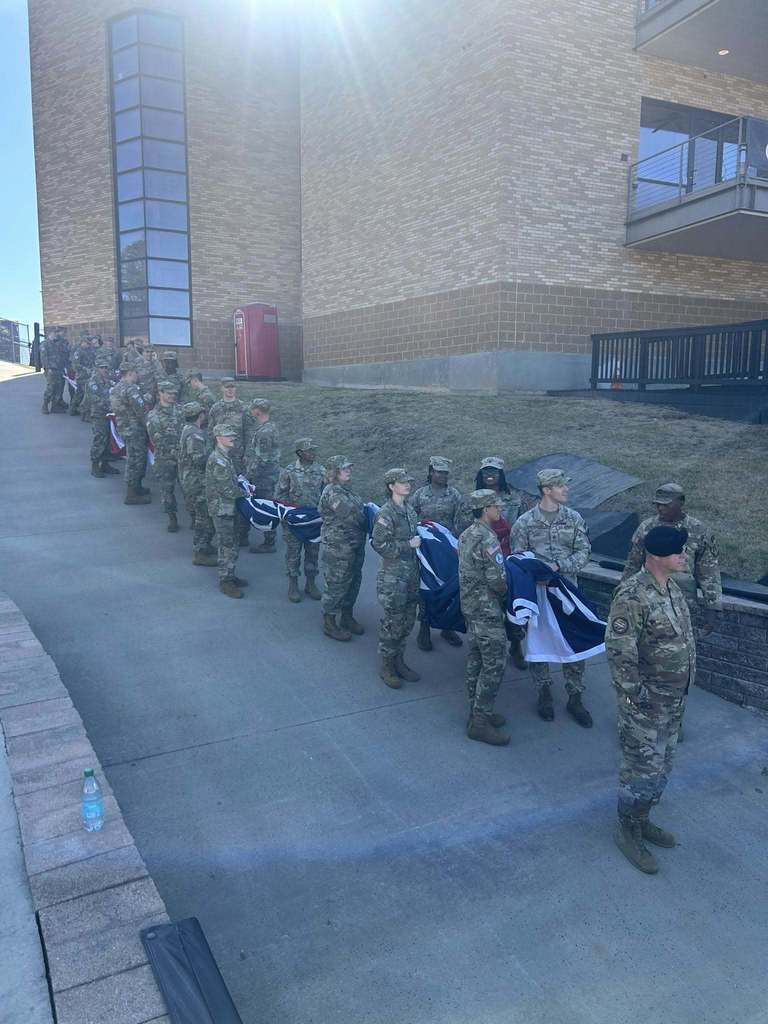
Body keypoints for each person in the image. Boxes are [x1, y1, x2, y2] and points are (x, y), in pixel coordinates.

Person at [606, 525, 695, 874]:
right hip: (647, 706)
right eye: (678, 551)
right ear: (658, 556)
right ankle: (627, 830)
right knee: (641, 770)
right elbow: (619, 652)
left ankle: (642, 819)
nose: (684, 556)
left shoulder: (671, 588)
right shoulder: (632, 595)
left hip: (673, 702)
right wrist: (636, 697)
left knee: (662, 767)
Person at [510, 468, 593, 726]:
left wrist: (559, 566)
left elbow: (584, 552)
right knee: (539, 644)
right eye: (561, 486)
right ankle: (543, 692)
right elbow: (518, 559)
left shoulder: (573, 518)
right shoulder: (524, 522)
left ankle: (575, 697)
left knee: (575, 642)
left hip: (567, 592)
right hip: (539, 593)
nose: (566, 489)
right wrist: (536, 575)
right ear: (547, 490)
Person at [464, 456, 527, 670]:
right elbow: (464, 529)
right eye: (485, 471)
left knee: (513, 603)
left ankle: (516, 645)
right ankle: (482, 648)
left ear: (501, 474)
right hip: (481, 559)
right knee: (484, 606)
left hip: (509, 557)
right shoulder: (473, 499)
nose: (489, 475)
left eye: (494, 471)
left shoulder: (514, 498)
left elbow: (520, 527)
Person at [459, 490, 511, 746]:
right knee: (494, 663)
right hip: (486, 608)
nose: (499, 509)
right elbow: (496, 580)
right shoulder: (488, 538)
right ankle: (480, 722)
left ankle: (476, 711)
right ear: (484, 509)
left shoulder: (466, 534)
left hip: (470, 606)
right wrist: (507, 593)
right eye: (495, 506)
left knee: (476, 658)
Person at [622, 482, 722, 614]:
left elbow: (709, 572)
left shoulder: (699, 531)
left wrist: (713, 608)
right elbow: (632, 565)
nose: (660, 508)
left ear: (681, 502)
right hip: (649, 600)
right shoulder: (646, 528)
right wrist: (623, 595)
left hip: (684, 603)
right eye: (658, 504)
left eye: (666, 505)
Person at [371, 468, 421, 689]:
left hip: (411, 575)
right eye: (402, 482)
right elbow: (379, 544)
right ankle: (387, 666)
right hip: (393, 577)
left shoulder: (409, 510)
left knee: (408, 621)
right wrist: (407, 545)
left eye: (408, 481)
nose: (407, 485)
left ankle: (399, 660)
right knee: (393, 623)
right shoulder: (386, 513)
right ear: (391, 486)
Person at [411, 455, 465, 651]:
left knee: (448, 588)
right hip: (426, 551)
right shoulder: (419, 494)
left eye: (445, 473)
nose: (443, 476)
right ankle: (424, 628)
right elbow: (411, 518)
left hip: (446, 551)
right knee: (426, 587)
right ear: (431, 473)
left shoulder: (454, 495)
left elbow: (460, 522)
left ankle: (447, 627)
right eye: (439, 472)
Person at [318, 456, 367, 642]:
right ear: (334, 471)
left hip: (353, 544)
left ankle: (347, 616)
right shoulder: (332, 492)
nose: (349, 470)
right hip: (338, 547)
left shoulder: (347, 490)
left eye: (349, 467)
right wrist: (368, 520)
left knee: (353, 581)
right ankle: (329, 622)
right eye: (344, 468)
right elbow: (351, 516)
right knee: (336, 584)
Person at [275, 438, 326, 603]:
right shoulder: (289, 471)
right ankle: (293, 584)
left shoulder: (321, 471)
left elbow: (326, 495)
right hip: (294, 521)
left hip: (314, 521)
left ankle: (310, 583)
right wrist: (287, 515)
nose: (312, 453)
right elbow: (280, 495)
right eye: (309, 450)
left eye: (313, 450)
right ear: (300, 453)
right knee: (293, 553)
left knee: (313, 553)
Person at [205, 422, 249, 598]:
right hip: (222, 509)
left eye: (233, 435)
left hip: (228, 508)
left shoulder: (224, 457)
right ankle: (225, 581)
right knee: (226, 546)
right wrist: (246, 493)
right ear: (218, 438)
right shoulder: (218, 460)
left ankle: (230, 574)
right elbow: (227, 490)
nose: (233, 438)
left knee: (232, 543)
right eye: (228, 435)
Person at [208, 378, 249, 547]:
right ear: (221, 388)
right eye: (227, 387)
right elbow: (211, 432)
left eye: (233, 387)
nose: (230, 390)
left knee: (240, 493)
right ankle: (226, 532)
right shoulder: (216, 408)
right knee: (224, 493)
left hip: (238, 458)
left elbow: (248, 432)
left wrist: (247, 453)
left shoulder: (243, 407)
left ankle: (242, 533)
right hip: (221, 457)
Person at [178, 402, 217, 567]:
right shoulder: (196, 435)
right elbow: (199, 459)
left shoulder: (187, 429)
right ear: (200, 415)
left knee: (203, 516)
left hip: (190, 479)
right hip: (197, 481)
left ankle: (204, 546)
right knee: (204, 518)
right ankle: (200, 552)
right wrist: (215, 455)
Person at [110, 362, 151, 505]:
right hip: (135, 429)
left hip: (124, 427)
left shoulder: (116, 388)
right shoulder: (131, 389)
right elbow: (141, 410)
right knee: (136, 460)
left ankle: (136, 487)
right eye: (136, 373)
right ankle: (131, 494)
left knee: (134, 457)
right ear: (130, 373)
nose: (138, 375)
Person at [146, 381, 183, 532]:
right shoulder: (153, 415)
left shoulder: (180, 410)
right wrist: (176, 452)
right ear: (160, 393)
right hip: (164, 459)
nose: (172, 396)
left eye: (174, 393)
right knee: (167, 489)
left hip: (183, 457)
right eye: (168, 393)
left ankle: (195, 517)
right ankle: (172, 517)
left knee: (189, 489)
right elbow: (157, 440)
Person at [244, 398, 280, 554]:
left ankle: (269, 542)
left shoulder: (264, 432)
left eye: (253, 409)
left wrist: (248, 476)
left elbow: (262, 459)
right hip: (269, 474)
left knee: (265, 508)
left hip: (264, 477)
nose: (251, 411)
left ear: (257, 411)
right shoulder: (270, 427)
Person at [87, 355, 120, 478]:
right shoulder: (92, 382)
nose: (105, 370)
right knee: (99, 439)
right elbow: (95, 399)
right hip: (98, 415)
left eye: (106, 367)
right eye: (102, 367)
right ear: (97, 368)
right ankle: (95, 465)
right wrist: (111, 406)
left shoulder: (107, 381)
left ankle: (105, 464)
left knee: (108, 440)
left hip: (109, 415)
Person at [41, 327, 70, 413]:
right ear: (50, 333)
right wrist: (48, 368)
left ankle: (55, 406)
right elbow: (44, 358)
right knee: (51, 388)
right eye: (54, 333)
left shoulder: (55, 344)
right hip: (51, 370)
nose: (56, 335)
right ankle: (45, 405)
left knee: (58, 388)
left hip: (58, 369)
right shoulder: (44, 344)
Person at [69, 335, 95, 417]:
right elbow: (75, 364)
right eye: (87, 343)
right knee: (83, 394)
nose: (88, 345)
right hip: (82, 376)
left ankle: (73, 409)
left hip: (88, 375)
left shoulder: (89, 351)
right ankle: (82, 412)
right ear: (83, 342)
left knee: (80, 393)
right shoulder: (78, 352)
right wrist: (84, 368)